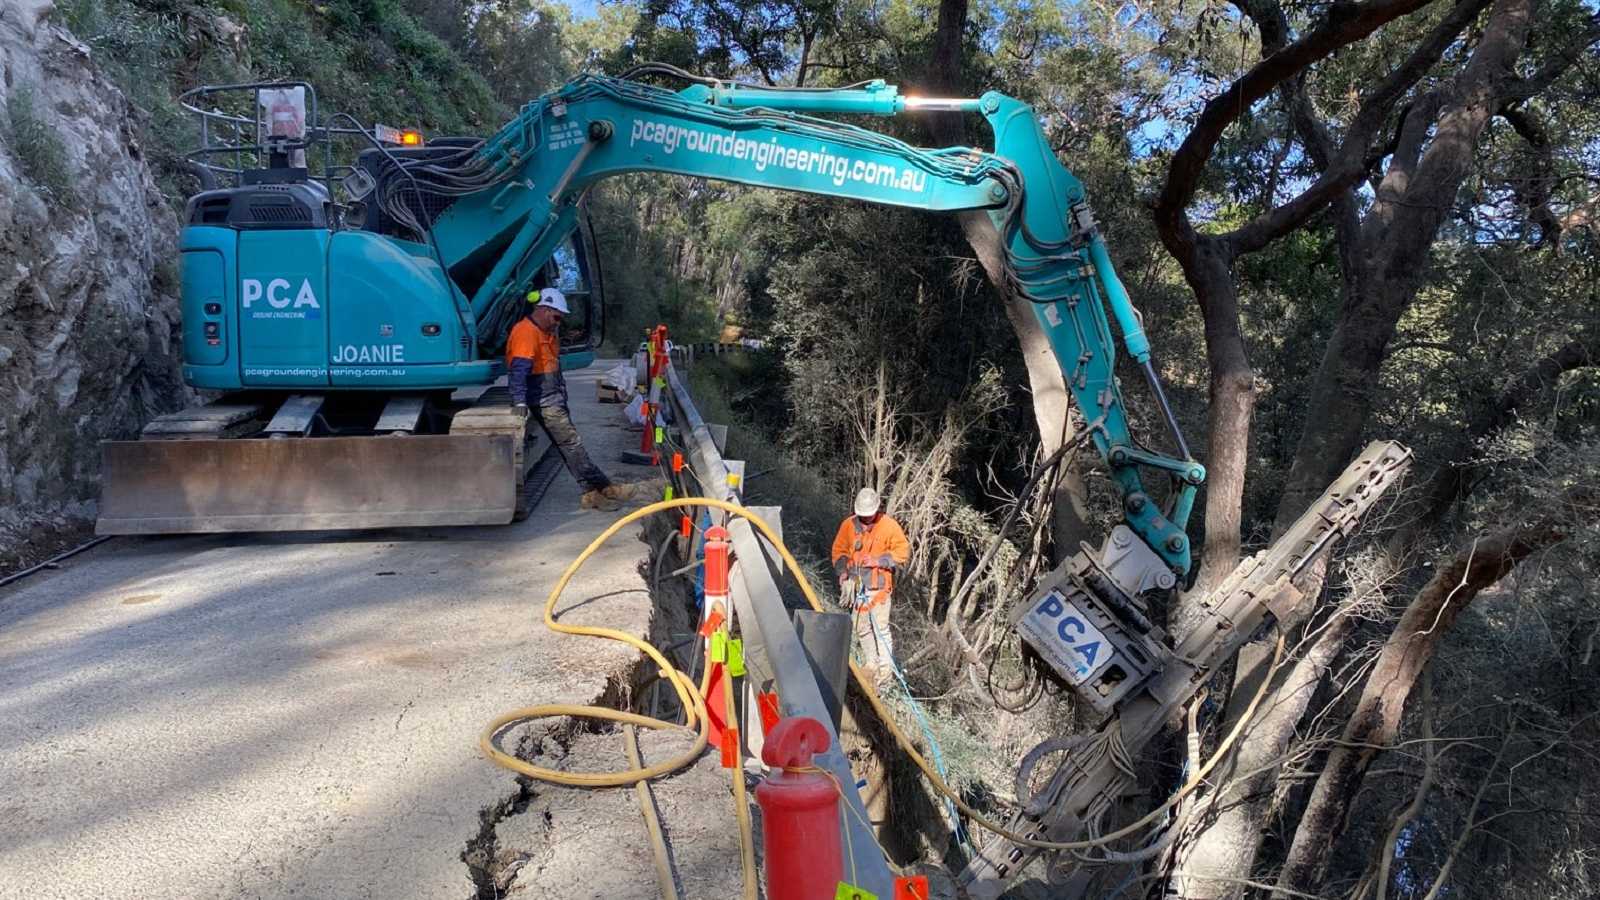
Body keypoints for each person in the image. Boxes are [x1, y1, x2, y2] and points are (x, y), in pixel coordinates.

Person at [507, 288, 628, 510]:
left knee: (568, 446)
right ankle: (603, 487)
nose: (558, 322)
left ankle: (592, 491)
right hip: (543, 399)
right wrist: (519, 401)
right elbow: (519, 370)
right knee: (572, 445)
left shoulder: (546, 332)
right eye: (556, 317)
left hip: (553, 396)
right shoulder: (525, 332)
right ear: (543, 310)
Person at [831, 486, 910, 687]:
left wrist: (877, 560)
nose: (866, 520)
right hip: (857, 585)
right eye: (862, 516)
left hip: (879, 586)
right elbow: (839, 550)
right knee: (861, 626)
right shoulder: (848, 525)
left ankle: (885, 672)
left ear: (876, 510)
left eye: (869, 516)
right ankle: (871, 663)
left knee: (881, 629)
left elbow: (902, 552)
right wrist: (843, 573)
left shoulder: (889, 526)